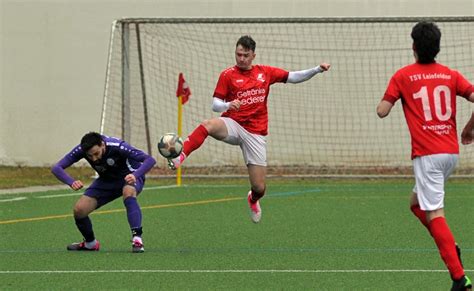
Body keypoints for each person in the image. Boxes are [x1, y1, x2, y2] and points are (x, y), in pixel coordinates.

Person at [167, 35, 330, 223]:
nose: (241, 58)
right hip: (233, 125)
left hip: (256, 133)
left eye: (245, 55)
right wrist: (228, 105)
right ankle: (181, 156)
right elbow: (215, 104)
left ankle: (252, 199)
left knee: (259, 187)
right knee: (208, 125)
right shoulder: (227, 75)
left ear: (253, 55)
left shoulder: (265, 72)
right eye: (238, 54)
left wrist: (317, 69)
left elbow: (293, 77)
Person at [377, 22, 474, 290]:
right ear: (438, 47)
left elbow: (382, 111)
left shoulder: (403, 76)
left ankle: (459, 277)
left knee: (435, 213)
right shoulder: (450, 74)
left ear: (414, 47)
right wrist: (469, 128)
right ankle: (449, 247)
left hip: (427, 156)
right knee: (416, 204)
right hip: (450, 154)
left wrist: (388, 100)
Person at [51, 132, 156, 253]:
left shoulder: (118, 146)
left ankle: (137, 239)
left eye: (96, 154)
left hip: (130, 176)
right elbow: (56, 168)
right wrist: (71, 182)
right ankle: (90, 244)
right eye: (90, 156)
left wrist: (135, 175)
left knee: (128, 192)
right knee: (79, 210)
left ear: (102, 144)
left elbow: (150, 160)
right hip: (107, 181)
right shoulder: (82, 149)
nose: (94, 159)